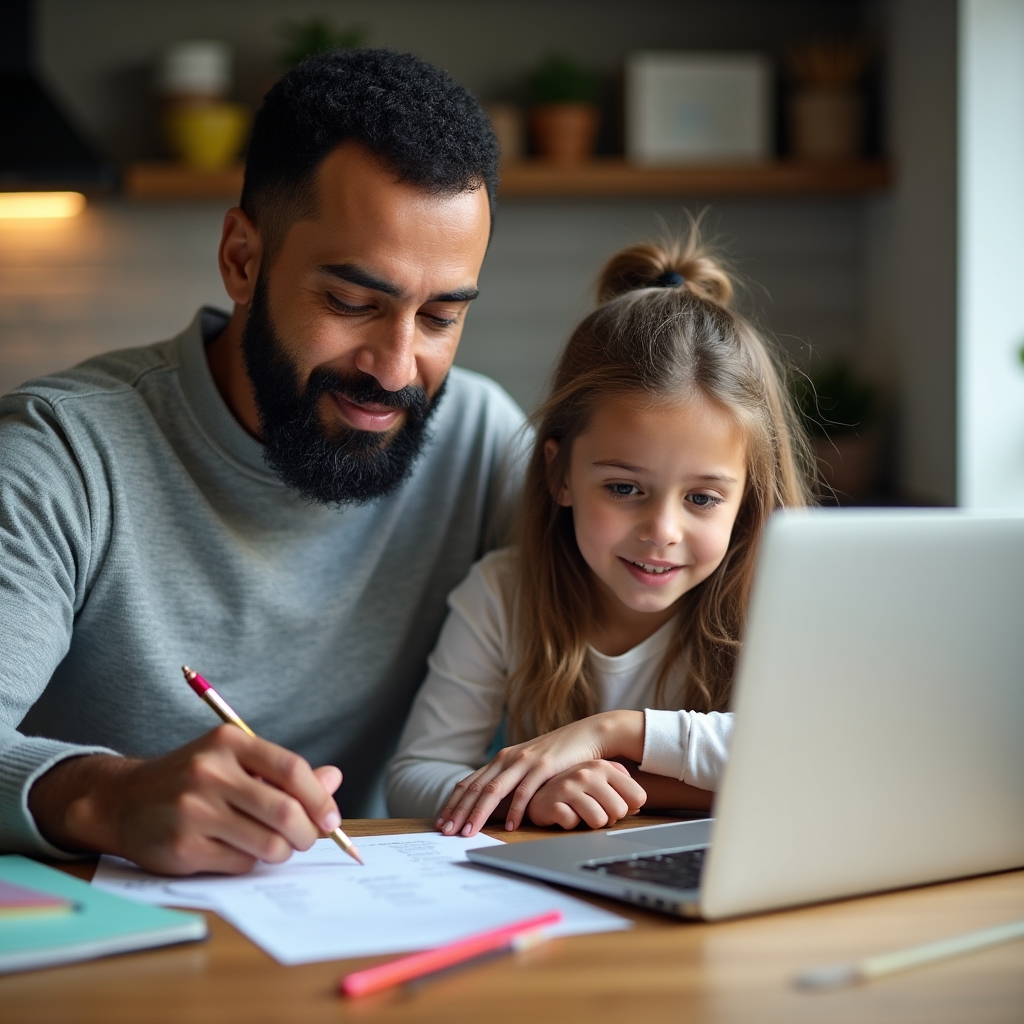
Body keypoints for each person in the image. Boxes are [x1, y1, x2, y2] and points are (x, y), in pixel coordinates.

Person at [0, 49, 524, 874]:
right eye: (353, 303)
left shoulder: (481, 442)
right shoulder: (60, 454)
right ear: (243, 259)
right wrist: (106, 798)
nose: (393, 370)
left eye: (439, 318)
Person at [387, 235, 814, 836]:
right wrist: (531, 795)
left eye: (702, 499)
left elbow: (811, 753)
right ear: (560, 473)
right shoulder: (502, 597)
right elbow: (413, 773)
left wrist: (609, 731)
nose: (662, 531)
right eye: (623, 488)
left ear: (747, 501)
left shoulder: (772, 602)